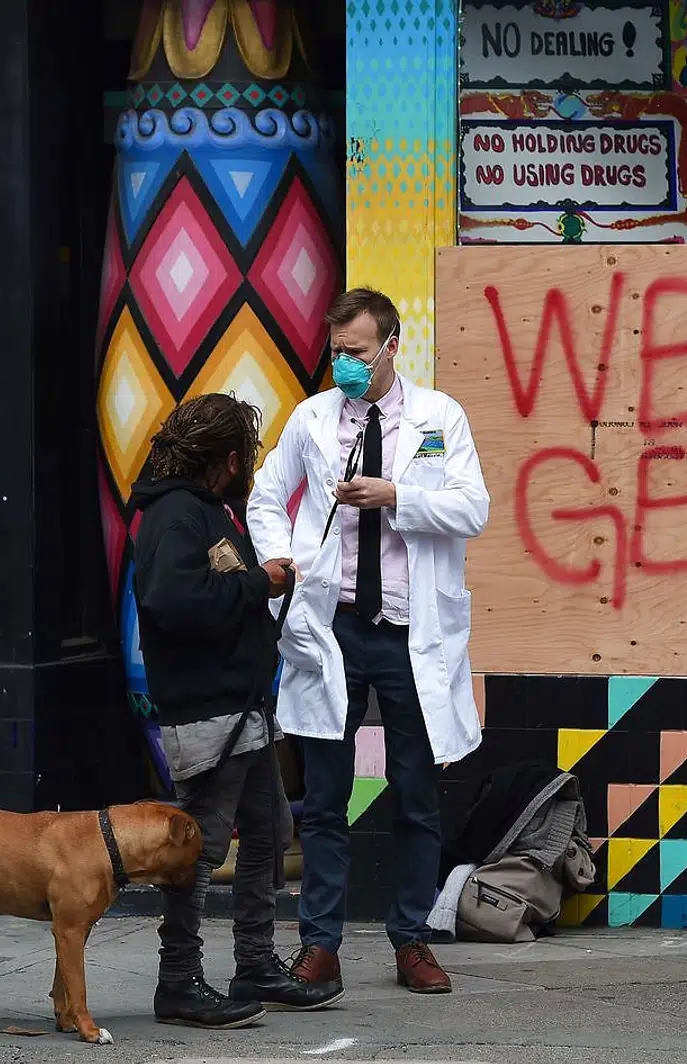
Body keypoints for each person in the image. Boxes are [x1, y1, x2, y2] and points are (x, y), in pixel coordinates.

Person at [248, 288, 489, 995]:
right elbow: (267, 497)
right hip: (333, 626)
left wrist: (397, 498)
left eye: (356, 352)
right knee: (325, 798)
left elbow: (472, 507)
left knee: (417, 792)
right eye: (336, 353)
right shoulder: (312, 419)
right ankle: (319, 944)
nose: (344, 365)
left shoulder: (439, 417)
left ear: (391, 346)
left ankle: (411, 939)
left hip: (412, 632)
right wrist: (281, 566)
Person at [131, 392, 343, 1029]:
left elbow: (206, 589)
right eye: (247, 455)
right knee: (199, 849)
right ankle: (179, 980)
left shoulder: (203, 512)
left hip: (241, 708)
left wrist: (256, 583)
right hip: (208, 712)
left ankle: (254, 961)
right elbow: (173, 601)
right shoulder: (176, 516)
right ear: (227, 460)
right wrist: (262, 583)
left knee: (272, 833)